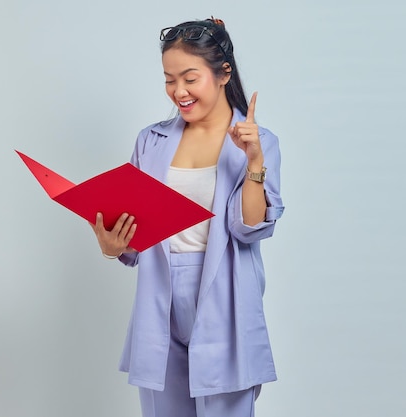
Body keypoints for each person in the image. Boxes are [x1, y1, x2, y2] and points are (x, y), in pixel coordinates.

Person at [90, 17, 284, 417]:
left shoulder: (258, 142)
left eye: (189, 78)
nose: (178, 91)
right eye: (169, 79)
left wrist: (253, 164)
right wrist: (115, 245)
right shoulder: (151, 140)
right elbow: (137, 229)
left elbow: (248, 230)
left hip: (224, 297)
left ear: (222, 73)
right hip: (159, 296)